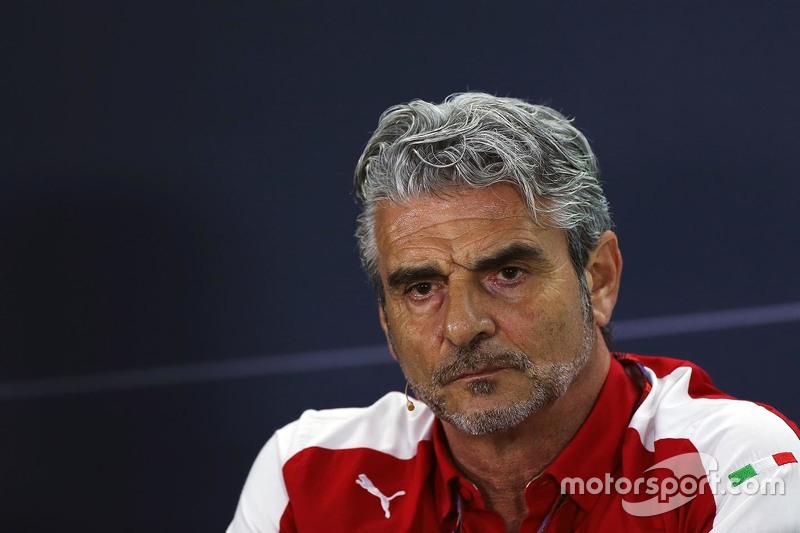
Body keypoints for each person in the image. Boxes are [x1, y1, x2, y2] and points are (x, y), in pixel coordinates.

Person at [227, 93, 800, 532]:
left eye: (507, 274)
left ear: (597, 279)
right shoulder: (308, 474)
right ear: (385, 319)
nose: (462, 326)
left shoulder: (741, 466)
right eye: (421, 287)